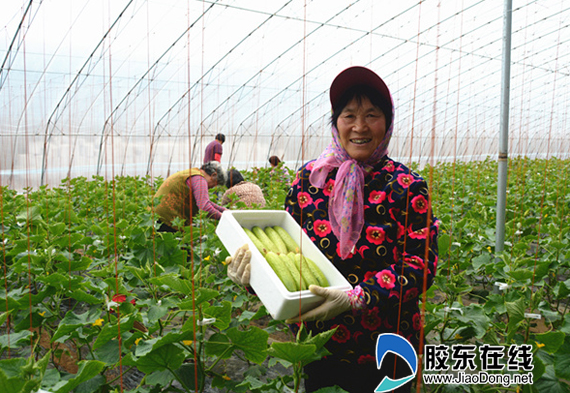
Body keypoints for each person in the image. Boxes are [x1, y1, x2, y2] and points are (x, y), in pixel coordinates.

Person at [226, 66, 439, 392]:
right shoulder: (309, 180)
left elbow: (420, 268)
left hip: (387, 351)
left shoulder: (407, 186)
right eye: (349, 115)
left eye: (372, 115)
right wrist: (252, 278)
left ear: (388, 122)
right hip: (319, 346)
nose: (359, 126)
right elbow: (286, 255)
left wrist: (358, 297)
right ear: (335, 123)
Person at [153, 161, 227, 232]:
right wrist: (223, 217)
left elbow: (205, 201)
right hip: (166, 219)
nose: (212, 187)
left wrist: (223, 210)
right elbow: (204, 207)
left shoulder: (193, 173)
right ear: (213, 175)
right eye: (215, 184)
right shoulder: (200, 180)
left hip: (156, 215)